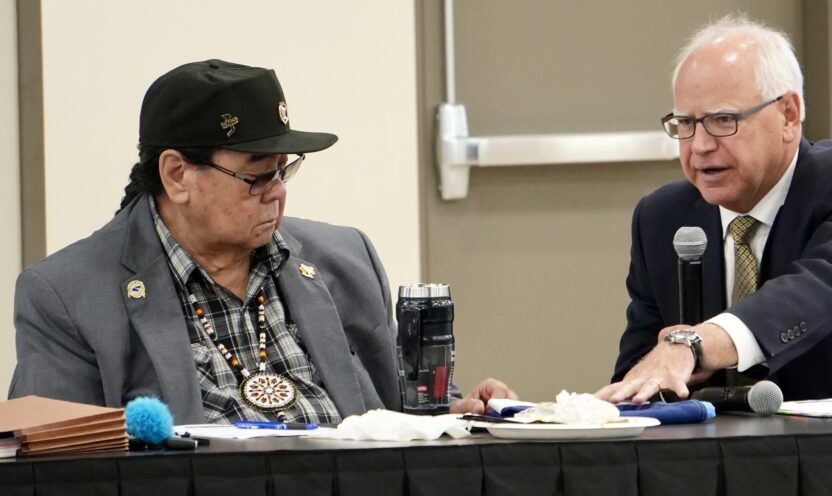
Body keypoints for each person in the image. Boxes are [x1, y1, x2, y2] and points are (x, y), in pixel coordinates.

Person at [9, 59, 513, 424]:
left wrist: (457, 412)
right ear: (177, 174)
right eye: (255, 177)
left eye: (283, 171)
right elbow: (53, 462)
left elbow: (402, 413)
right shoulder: (70, 295)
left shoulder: (345, 260)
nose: (277, 194)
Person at [596, 14, 832, 405]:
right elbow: (641, 376)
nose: (698, 146)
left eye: (722, 120)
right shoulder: (663, 218)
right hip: (721, 457)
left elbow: (817, 290)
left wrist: (696, 345)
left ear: (788, 115)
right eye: (685, 123)